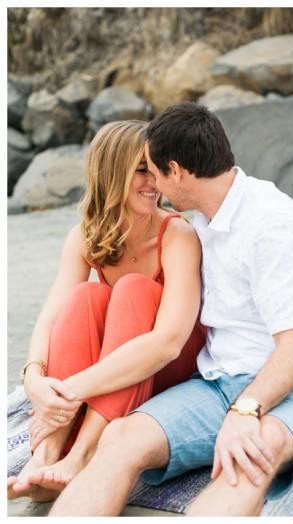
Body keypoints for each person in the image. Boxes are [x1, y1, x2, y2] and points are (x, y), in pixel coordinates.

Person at [48, 101, 293, 516]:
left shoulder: (273, 226)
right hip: (215, 385)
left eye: (153, 171)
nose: (151, 182)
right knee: (119, 440)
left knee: (250, 457)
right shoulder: (201, 218)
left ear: (176, 171)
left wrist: (247, 409)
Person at [7, 120, 206, 502]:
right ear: (111, 172)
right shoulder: (86, 235)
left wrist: (68, 391)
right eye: (141, 170)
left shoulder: (177, 234)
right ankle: (47, 454)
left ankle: (82, 456)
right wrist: (34, 379)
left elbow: (168, 343)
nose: (155, 180)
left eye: (159, 168)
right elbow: (50, 318)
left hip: (171, 368)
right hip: (118, 373)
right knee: (86, 297)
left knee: (131, 289)